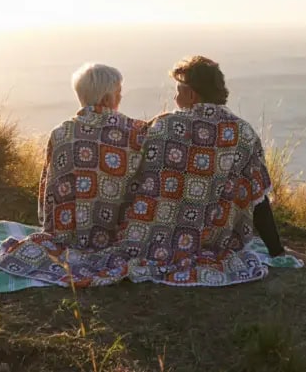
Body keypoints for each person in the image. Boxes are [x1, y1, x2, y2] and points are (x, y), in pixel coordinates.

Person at [116, 55, 291, 286]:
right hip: (218, 239)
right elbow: (258, 196)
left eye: (178, 90)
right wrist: (276, 250)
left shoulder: (166, 126)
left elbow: (129, 164)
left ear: (192, 94)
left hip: (162, 238)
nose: (174, 96)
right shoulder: (243, 132)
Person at [34, 63, 149, 252]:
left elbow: (48, 186)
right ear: (105, 100)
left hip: (66, 235)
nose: (121, 97)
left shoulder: (60, 133)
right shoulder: (134, 132)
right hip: (116, 235)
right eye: (118, 92)